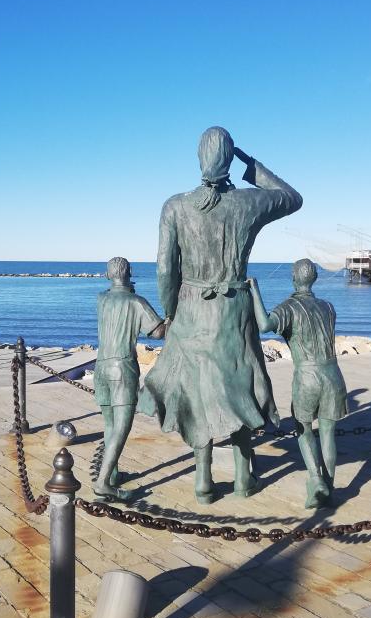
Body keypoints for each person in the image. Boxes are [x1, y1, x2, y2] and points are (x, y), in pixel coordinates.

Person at [139, 126, 303, 504]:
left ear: (199, 158)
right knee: (238, 384)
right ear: (229, 158)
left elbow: (165, 270)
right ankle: (244, 478)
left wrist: (172, 313)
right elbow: (292, 198)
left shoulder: (175, 206)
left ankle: (203, 480)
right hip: (235, 309)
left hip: (192, 308)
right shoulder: (249, 202)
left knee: (197, 391)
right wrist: (252, 166)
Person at [248, 259, 348, 508]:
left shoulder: (289, 307)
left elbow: (265, 325)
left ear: (293, 278)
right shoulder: (328, 307)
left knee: (304, 429)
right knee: (328, 433)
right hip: (333, 374)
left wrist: (255, 292)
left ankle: (316, 480)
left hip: (307, 376)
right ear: (314, 279)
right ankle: (329, 487)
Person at [93, 256, 165, 501]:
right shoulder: (137, 302)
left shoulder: (101, 299)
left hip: (101, 368)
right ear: (130, 272)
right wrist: (170, 320)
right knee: (121, 427)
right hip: (122, 369)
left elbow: (113, 297)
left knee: (109, 425)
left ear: (108, 275)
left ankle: (111, 475)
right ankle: (103, 483)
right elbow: (157, 332)